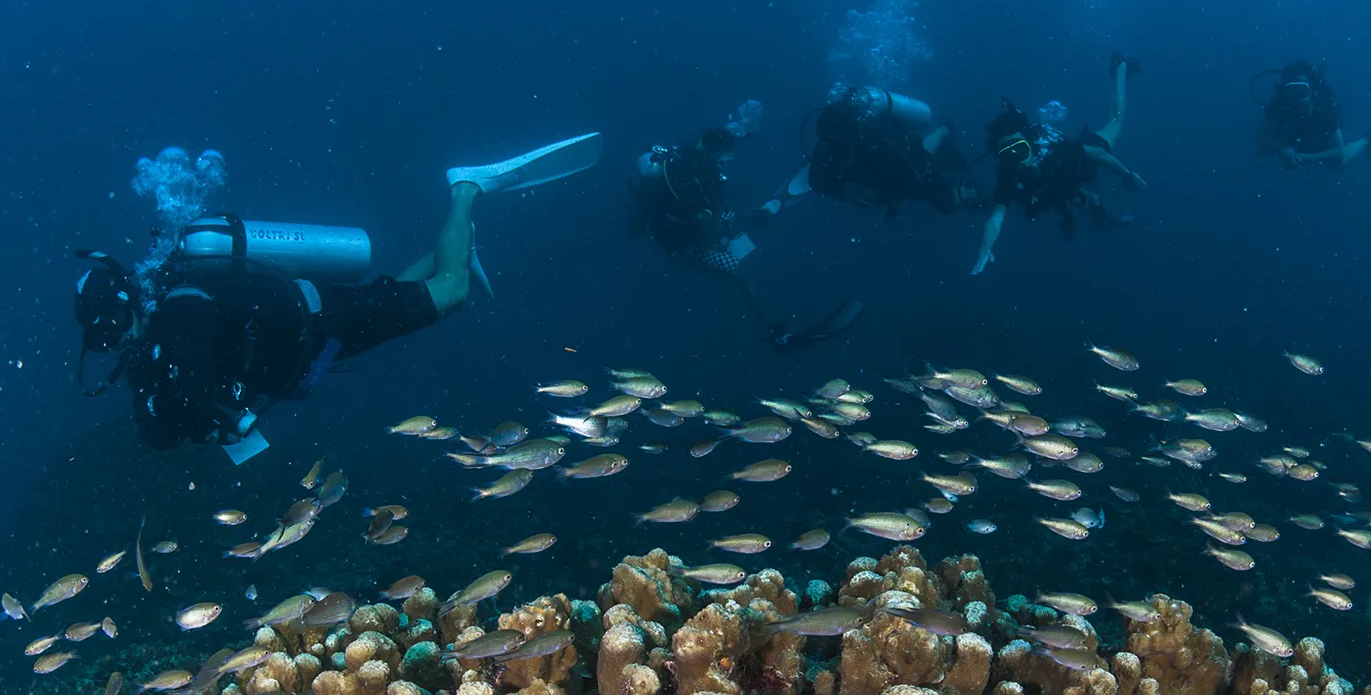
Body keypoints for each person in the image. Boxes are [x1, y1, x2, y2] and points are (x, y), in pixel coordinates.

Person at [72, 134, 602, 460]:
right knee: (401, 290)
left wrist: (181, 401)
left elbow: (187, 403)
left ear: (124, 304)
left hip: (318, 323)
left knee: (451, 292)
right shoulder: (162, 328)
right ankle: (456, 245)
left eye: (111, 331)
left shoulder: (179, 309)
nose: (115, 345)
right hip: (312, 335)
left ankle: (466, 189)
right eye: (103, 342)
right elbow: (164, 427)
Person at [628, 102, 862, 351]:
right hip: (685, 245)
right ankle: (776, 333)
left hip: (697, 228)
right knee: (741, 272)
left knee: (746, 255)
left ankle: (767, 304)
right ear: (715, 155)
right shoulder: (689, 182)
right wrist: (734, 223)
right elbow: (707, 226)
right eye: (727, 159)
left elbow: (714, 211)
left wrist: (749, 216)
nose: (730, 164)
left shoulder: (699, 167)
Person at [971, 53, 1147, 275]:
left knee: (1117, 121)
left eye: (1020, 149)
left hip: (1081, 157)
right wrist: (985, 248)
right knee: (1076, 194)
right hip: (1065, 179)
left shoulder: (1052, 148)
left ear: (1030, 144)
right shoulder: (1008, 176)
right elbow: (996, 218)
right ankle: (1095, 208)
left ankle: (1120, 67)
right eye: (1008, 155)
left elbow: (1097, 154)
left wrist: (1125, 174)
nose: (1017, 160)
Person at [766, 86, 975, 217]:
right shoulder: (914, 171)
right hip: (891, 164)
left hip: (891, 160)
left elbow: (924, 151)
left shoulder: (892, 154)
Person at [1257, 60, 1371, 174]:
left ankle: (1364, 142)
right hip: (1296, 134)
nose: (1297, 98)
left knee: (1338, 163)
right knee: (1263, 150)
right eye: (1292, 90)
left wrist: (1309, 158)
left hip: (1320, 137)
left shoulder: (1324, 111)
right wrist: (1282, 153)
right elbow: (1263, 131)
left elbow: (1339, 152)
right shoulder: (1279, 105)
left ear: (1312, 90)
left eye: (1302, 89)